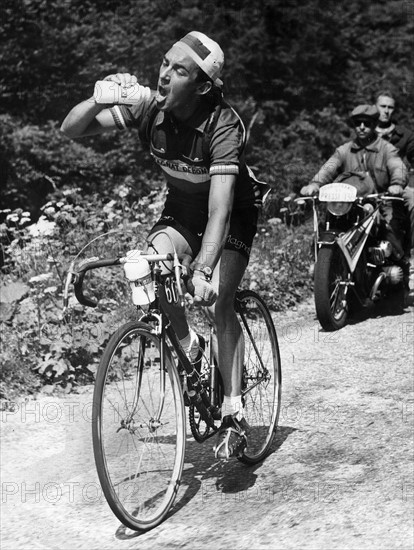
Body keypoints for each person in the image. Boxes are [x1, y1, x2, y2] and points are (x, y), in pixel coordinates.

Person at [61, 31, 266, 460]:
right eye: (164, 63)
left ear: (203, 86)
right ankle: (190, 347)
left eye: (179, 70)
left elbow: (220, 211)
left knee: (217, 302)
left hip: (229, 217)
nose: (164, 75)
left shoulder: (223, 125)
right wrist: (100, 98)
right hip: (181, 212)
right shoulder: (149, 107)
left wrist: (205, 269)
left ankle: (234, 413)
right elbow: (71, 129)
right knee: (151, 267)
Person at [300, 104, 408, 266]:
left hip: (379, 202)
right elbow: (329, 167)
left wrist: (397, 184)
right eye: (358, 123)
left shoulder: (387, 149)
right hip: (348, 204)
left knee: (391, 232)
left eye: (367, 123)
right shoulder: (344, 150)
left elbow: (397, 167)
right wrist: (315, 183)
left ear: (374, 125)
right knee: (325, 225)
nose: (362, 127)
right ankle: (320, 264)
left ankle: (398, 266)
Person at [374, 90, 414, 253]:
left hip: (398, 188)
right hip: (371, 187)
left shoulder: (405, 135)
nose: (386, 110)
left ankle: (412, 257)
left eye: (390, 107)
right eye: (382, 106)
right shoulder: (365, 132)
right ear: (375, 107)